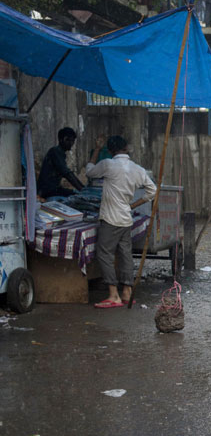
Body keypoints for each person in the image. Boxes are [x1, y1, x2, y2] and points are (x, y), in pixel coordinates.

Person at [86, 136, 157, 308]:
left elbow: (89, 171)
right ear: (126, 148)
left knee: (104, 254)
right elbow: (152, 191)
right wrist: (133, 204)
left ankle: (113, 294)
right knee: (125, 254)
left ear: (110, 151)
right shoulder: (137, 169)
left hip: (111, 218)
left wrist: (96, 150)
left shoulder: (108, 164)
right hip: (126, 217)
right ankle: (127, 292)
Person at [38, 127, 85, 199]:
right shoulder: (55, 152)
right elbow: (67, 173)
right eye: (69, 140)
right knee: (77, 197)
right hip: (48, 191)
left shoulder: (59, 153)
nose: (71, 144)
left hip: (53, 189)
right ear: (63, 139)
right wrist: (83, 190)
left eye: (73, 141)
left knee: (75, 193)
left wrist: (82, 188)